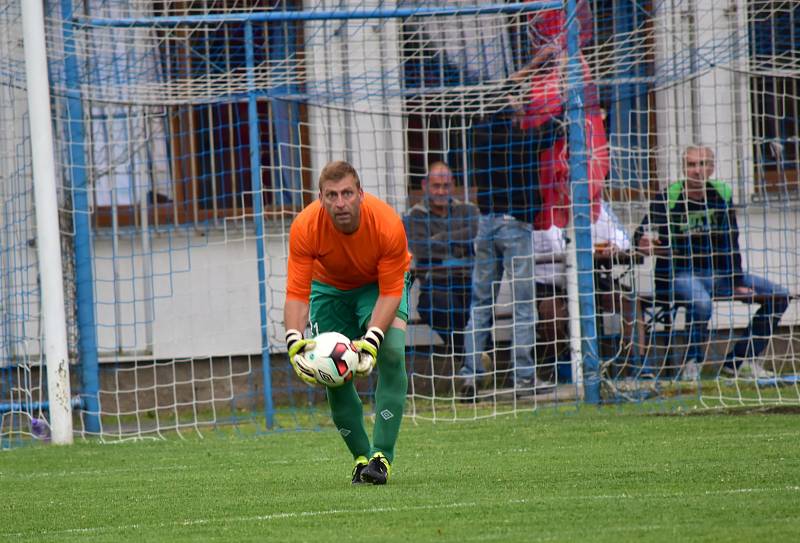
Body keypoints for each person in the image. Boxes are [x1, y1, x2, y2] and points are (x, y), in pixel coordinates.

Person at [283, 160, 412, 485]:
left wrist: (372, 339)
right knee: (332, 371)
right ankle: (360, 458)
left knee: (392, 352)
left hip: (378, 288)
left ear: (360, 194)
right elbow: (297, 293)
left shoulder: (387, 225)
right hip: (328, 289)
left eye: (347, 193)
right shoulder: (305, 226)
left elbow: (391, 292)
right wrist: (293, 342)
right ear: (321, 198)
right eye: (332, 195)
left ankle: (382, 457)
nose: (340, 203)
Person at [635, 145, 790, 380]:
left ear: (711, 168)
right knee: (702, 304)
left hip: (720, 273)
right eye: (691, 165)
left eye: (702, 164)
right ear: (684, 168)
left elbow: (731, 240)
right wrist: (643, 241)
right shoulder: (668, 197)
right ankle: (692, 362)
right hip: (681, 274)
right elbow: (641, 233)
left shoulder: (721, 194)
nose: (697, 170)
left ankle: (739, 361)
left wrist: (736, 281)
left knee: (779, 295)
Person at [457, 115, 552, 399]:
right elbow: (548, 132)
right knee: (524, 303)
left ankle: (470, 374)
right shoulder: (518, 140)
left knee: (480, 303)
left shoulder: (480, 136)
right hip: (514, 225)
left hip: (485, 224)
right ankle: (523, 377)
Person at [532, 201, 645, 382]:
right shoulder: (543, 207)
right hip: (551, 284)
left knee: (629, 301)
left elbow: (623, 236)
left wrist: (614, 245)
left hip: (590, 279)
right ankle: (563, 363)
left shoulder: (599, 205)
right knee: (552, 314)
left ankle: (636, 365)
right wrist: (589, 248)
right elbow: (558, 244)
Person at [403, 162, 479, 355]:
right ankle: (467, 353)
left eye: (445, 186)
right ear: (425, 186)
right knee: (437, 305)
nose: (441, 191)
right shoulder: (414, 216)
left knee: (481, 303)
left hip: (468, 281)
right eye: (436, 186)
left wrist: (440, 239)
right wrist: (457, 240)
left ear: (453, 185)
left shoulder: (468, 210)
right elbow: (421, 249)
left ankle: (466, 354)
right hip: (436, 284)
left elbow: (475, 233)